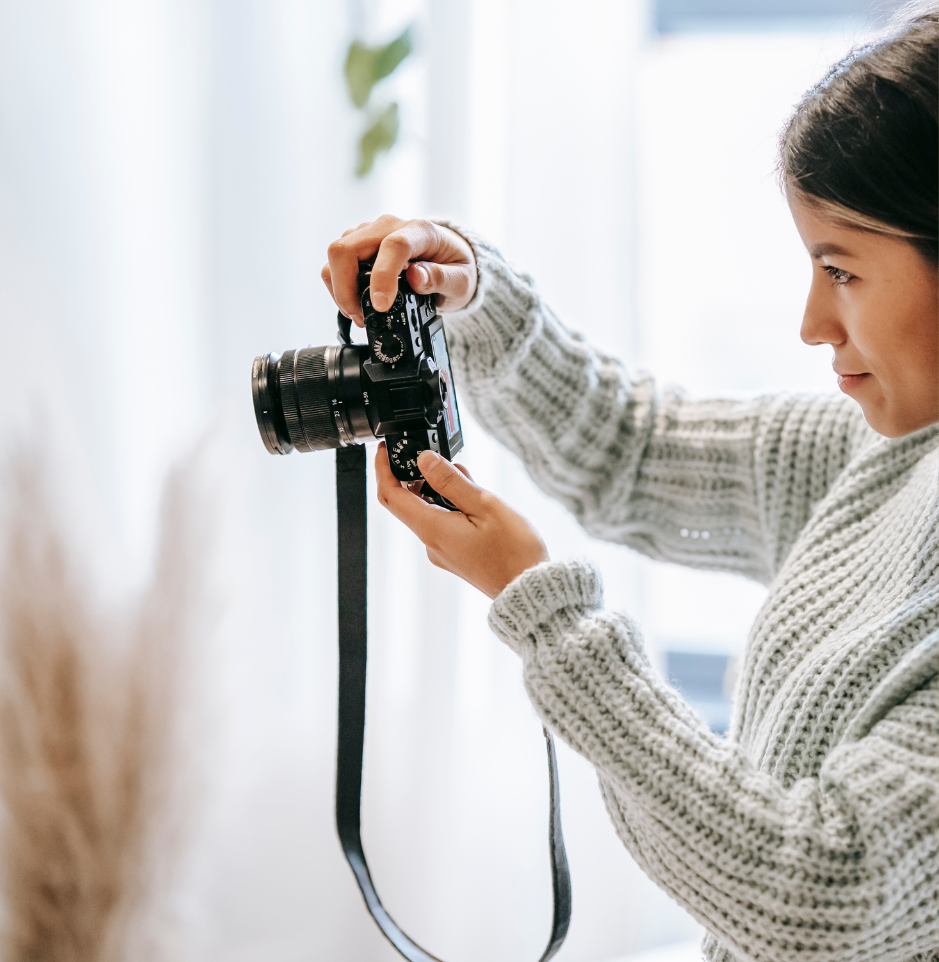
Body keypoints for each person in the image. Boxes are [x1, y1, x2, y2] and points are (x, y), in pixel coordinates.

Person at [321, 3, 938, 960]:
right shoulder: (884, 457)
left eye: (841, 271)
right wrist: (474, 292)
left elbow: (825, 897)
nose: (812, 322)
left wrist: (545, 616)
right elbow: (633, 450)